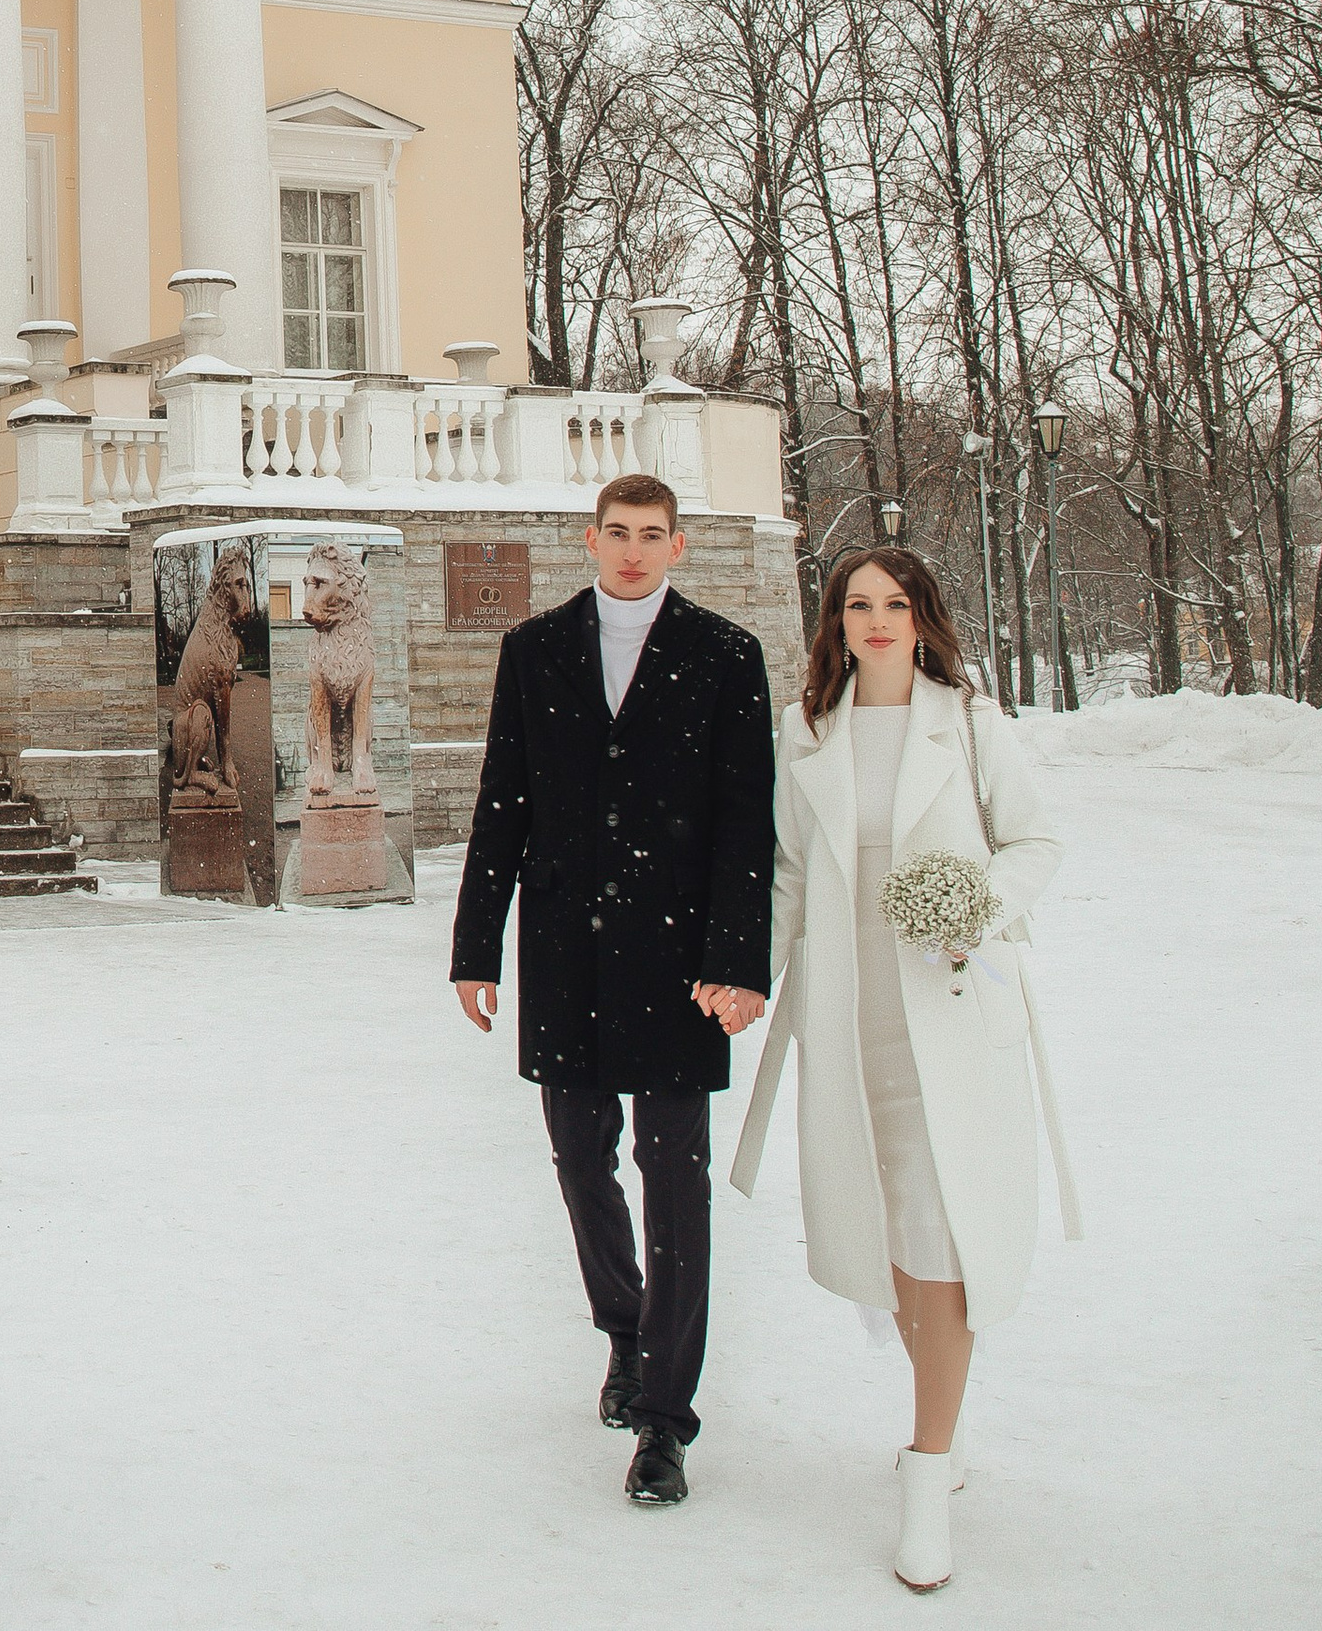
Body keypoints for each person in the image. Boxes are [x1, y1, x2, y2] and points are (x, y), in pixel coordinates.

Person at [730, 547, 1076, 1594]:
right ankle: (945, 1426)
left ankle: (928, 1475)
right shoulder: (809, 733)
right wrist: (740, 978)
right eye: (855, 603)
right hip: (849, 1017)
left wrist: (974, 903)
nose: (875, 620)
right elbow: (788, 872)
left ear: (922, 616)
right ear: (833, 621)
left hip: (952, 1014)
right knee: (887, 1233)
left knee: (940, 1227)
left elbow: (1036, 843)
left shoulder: (968, 723)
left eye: (893, 602)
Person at [452, 472, 777, 1508]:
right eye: (618, 533)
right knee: (580, 1156)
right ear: (588, 540)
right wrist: (475, 946)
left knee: (672, 1174)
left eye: (653, 535)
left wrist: (736, 959)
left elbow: (744, 820)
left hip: (679, 958)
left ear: (678, 546)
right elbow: (501, 801)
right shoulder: (533, 649)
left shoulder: (726, 656)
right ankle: (626, 1331)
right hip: (566, 954)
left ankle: (665, 1422)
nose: (633, 550)